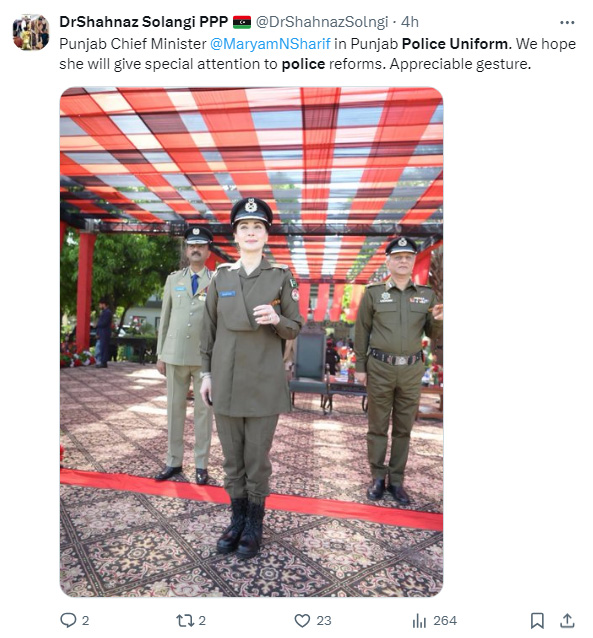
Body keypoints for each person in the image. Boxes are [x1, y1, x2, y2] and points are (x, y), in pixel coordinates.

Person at [200, 197, 303, 559]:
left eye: (257, 227)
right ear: (235, 235)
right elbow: (208, 329)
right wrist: (206, 374)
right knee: (232, 459)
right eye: (244, 227)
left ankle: (254, 524)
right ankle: (237, 520)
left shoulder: (280, 276)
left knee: (257, 458)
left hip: (263, 380)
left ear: (266, 234)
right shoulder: (221, 276)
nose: (251, 232)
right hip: (226, 379)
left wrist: (276, 320)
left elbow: (294, 327)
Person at [354, 237, 443, 505]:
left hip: (411, 371)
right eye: (397, 256)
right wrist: (360, 367)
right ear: (388, 262)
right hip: (380, 368)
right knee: (377, 427)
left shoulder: (426, 295)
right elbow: (362, 331)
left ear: (414, 261)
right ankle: (377, 478)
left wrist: (440, 320)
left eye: (408, 256)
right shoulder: (373, 293)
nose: (403, 261)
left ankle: (396, 480)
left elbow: (432, 333)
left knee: (404, 428)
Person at [154, 226, 214, 485]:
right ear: (187, 250)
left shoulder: (217, 281)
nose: (196, 249)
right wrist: (160, 354)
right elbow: (165, 318)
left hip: (204, 360)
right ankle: (173, 461)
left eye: (201, 245)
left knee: (204, 413)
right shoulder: (173, 280)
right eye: (192, 245)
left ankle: (201, 464)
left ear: (208, 251)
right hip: (175, 355)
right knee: (174, 410)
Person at [95, 297, 112, 368]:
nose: (99, 306)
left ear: (103, 304)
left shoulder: (107, 312)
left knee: (104, 347)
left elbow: (104, 323)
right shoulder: (104, 312)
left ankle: (103, 362)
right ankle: (100, 361)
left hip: (105, 332)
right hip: (101, 332)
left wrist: (97, 324)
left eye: (100, 304)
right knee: (100, 347)